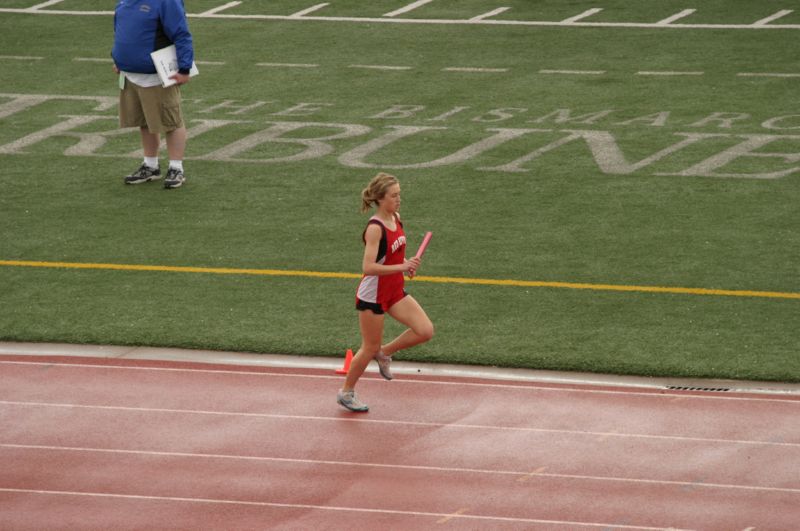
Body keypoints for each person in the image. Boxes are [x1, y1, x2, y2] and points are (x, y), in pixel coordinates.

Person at [337, 173, 435, 412]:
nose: (399, 199)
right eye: (394, 195)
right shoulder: (375, 228)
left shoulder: (396, 217)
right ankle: (346, 392)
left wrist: (407, 264)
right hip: (373, 296)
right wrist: (401, 266)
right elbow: (368, 267)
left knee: (425, 330)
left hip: (393, 289)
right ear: (380, 199)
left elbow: (395, 251)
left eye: (399, 194)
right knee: (368, 347)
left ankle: (385, 353)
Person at [111, 0, 194, 189]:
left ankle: (176, 168)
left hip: (157, 75)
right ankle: (150, 165)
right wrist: (118, 58)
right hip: (131, 75)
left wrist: (184, 68)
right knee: (144, 122)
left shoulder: (166, 1)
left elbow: (181, 34)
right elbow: (121, 29)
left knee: (172, 122)